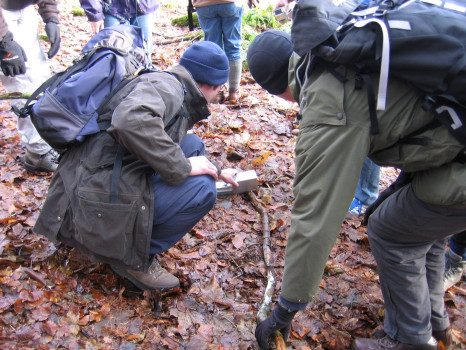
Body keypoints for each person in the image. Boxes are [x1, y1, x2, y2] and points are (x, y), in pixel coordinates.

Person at [247, 30, 465, 349]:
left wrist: (285, 309)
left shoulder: (327, 101)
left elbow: (315, 215)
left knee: (389, 230)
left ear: (276, 90)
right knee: (425, 232)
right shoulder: (343, 55)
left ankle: (411, 340)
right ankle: (434, 326)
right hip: (455, 154)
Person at [33, 40, 239, 291]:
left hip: (92, 177)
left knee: (192, 145)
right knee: (202, 189)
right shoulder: (168, 88)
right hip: (92, 189)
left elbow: (164, 140)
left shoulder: (168, 81)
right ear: (209, 84)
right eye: (219, 90)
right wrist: (182, 167)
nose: (217, 96)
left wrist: (216, 169)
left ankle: (113, 235)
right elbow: (129, 120)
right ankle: (132, 258)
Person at [0, 0, 61, 172]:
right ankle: (37, 154)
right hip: (3, 15)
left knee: (41, 78)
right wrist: (4, 40)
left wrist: (51, 18)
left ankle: (45, 141)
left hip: (23, 9)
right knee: (21, 79)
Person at [193, 0, 243, 103]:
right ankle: (233, 93)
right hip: (230, 3)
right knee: (233, 46)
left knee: (212, 49)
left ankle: (215, 92)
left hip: (204, 4)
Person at [79, 0, 159, 63]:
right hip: (111, 8)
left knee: (144, 57)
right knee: (112, 58)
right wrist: (94, 11)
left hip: (143, 7)